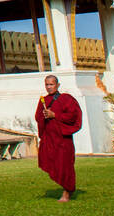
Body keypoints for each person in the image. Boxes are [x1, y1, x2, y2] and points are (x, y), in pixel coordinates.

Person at [34, 74, 82, 202]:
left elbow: (73, 116)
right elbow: (38, 117)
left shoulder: (66, 99)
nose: (49, 87)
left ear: (58, 85)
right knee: (51, 162)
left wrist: (55, 114)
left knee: (65, 165)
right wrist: (44, 115)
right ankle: (66, 187)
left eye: (51, 84)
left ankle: (67, 191)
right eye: (47, 85)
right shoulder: (43, 101)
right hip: (50, 138)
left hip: (62, 138)